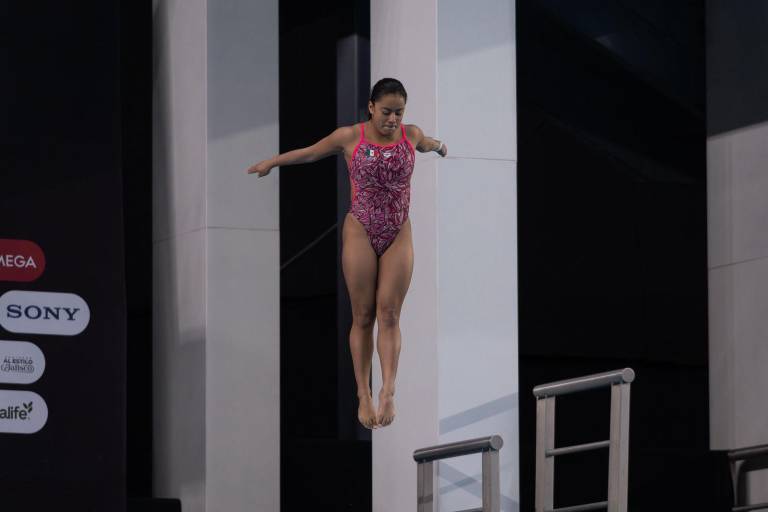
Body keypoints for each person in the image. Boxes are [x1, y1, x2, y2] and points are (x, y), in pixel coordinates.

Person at [247, 78, 447, 429]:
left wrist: (440, 146)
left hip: (398, 230)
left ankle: (388, 390)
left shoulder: (410, 134)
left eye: (399, 113)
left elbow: (426, 142)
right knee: (364, 314)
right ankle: (363, 393)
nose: (393, 120)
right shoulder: (350, 137)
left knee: (389, 313)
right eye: (386, 112)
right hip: (361, 229)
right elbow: (310, 152)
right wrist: (272, 162)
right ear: (371, 107)